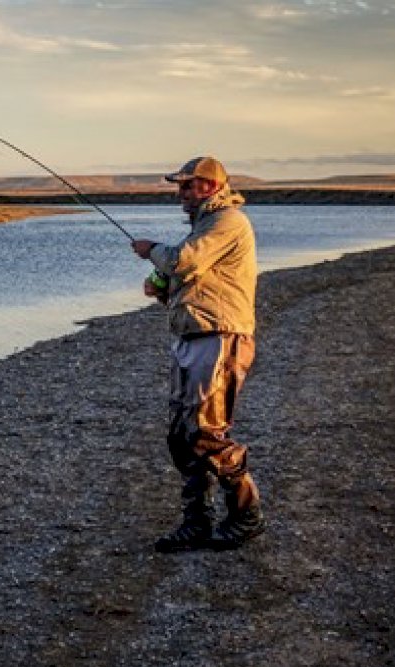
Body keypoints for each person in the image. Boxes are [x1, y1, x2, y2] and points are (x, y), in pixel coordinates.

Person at [131, 156, 265, 552]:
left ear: (209, 186)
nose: (180, 195)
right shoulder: (205, 227)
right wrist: (164, 290)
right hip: (193, 337)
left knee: (206, 433)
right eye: (180, 187)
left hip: (220, 338)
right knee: (182, 435)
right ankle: (197, 521)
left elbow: (182, 260)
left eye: (187, 187)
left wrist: (150, 250)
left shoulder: (228, 222)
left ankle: (246, 515)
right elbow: (190, 278)